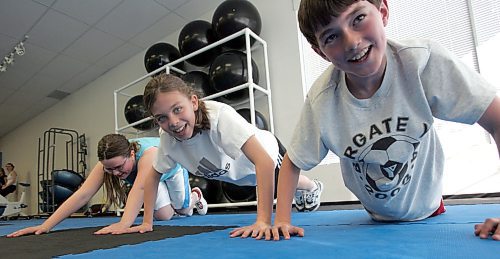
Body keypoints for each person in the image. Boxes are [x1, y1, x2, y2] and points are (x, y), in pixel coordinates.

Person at [271, 0, 500, 241]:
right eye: (331, 37)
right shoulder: (323, 100)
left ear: (383, 11)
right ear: (320, 51)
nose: (351, 42)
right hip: (375, 219)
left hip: (430, 210)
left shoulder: (420, 63)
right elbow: (292, 161)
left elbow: (496, 119)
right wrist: (282, 220)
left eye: (358, 19)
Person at [125, 73, 323, 240]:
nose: (174, 122)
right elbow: (152, 177)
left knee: (288, 183)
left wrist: (262, 221)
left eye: (177, 109)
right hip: (241, 174)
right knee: (261, 182)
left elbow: (264, 161)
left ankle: (313, 187)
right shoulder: (169, 140)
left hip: (268, 154)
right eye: (162, 118)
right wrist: (147, 221)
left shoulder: (219, 117)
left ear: (194, 102)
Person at [7, 134, 207, 238]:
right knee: (164, 216)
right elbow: (83, 194)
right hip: (150, 180)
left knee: (183, 209)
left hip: (171, 171)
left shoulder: (149, 155)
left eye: (119, 167)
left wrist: (125, 224)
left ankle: (196, 196)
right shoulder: (108, 164)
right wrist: (45, 225)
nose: (117, 174)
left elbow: (139, 188)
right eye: (110, 170)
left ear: (131, 153)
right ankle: (177, 205)